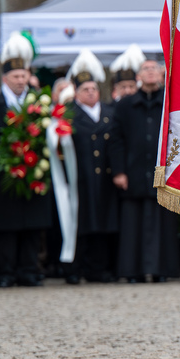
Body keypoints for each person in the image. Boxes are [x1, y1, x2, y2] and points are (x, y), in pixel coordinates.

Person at [0, 32, 53, 287]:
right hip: (6, 174)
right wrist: (11, 155)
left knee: (33, 226)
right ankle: (6, 272)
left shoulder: (37, 102)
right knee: (7, 228)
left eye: (24, 76)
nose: (21, 81)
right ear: (6, 77)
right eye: (16, 77)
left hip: (34, 170)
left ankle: (29, 270)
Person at [109, 59, 180, 282]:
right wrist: (119, 171)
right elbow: (116, 140)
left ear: (162, 75)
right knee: (133, 225)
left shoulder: (171, 101)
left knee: (164, 225)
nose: (150, 72)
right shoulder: (124, 105)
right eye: (145, 69)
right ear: (138, 76)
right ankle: (133, 271)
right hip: (134, 173)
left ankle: (162, 270)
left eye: (154, 69)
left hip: (163, 174)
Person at [65, 49, 120, 284]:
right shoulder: (68, 114)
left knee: (104, 223)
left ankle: (99, 268)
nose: (90, 93)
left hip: (105, 178)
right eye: (85, 90)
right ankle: (77, 269)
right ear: (76, 94)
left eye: (94, 89)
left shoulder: (110, 113)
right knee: (81, 224)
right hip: (81, 177)